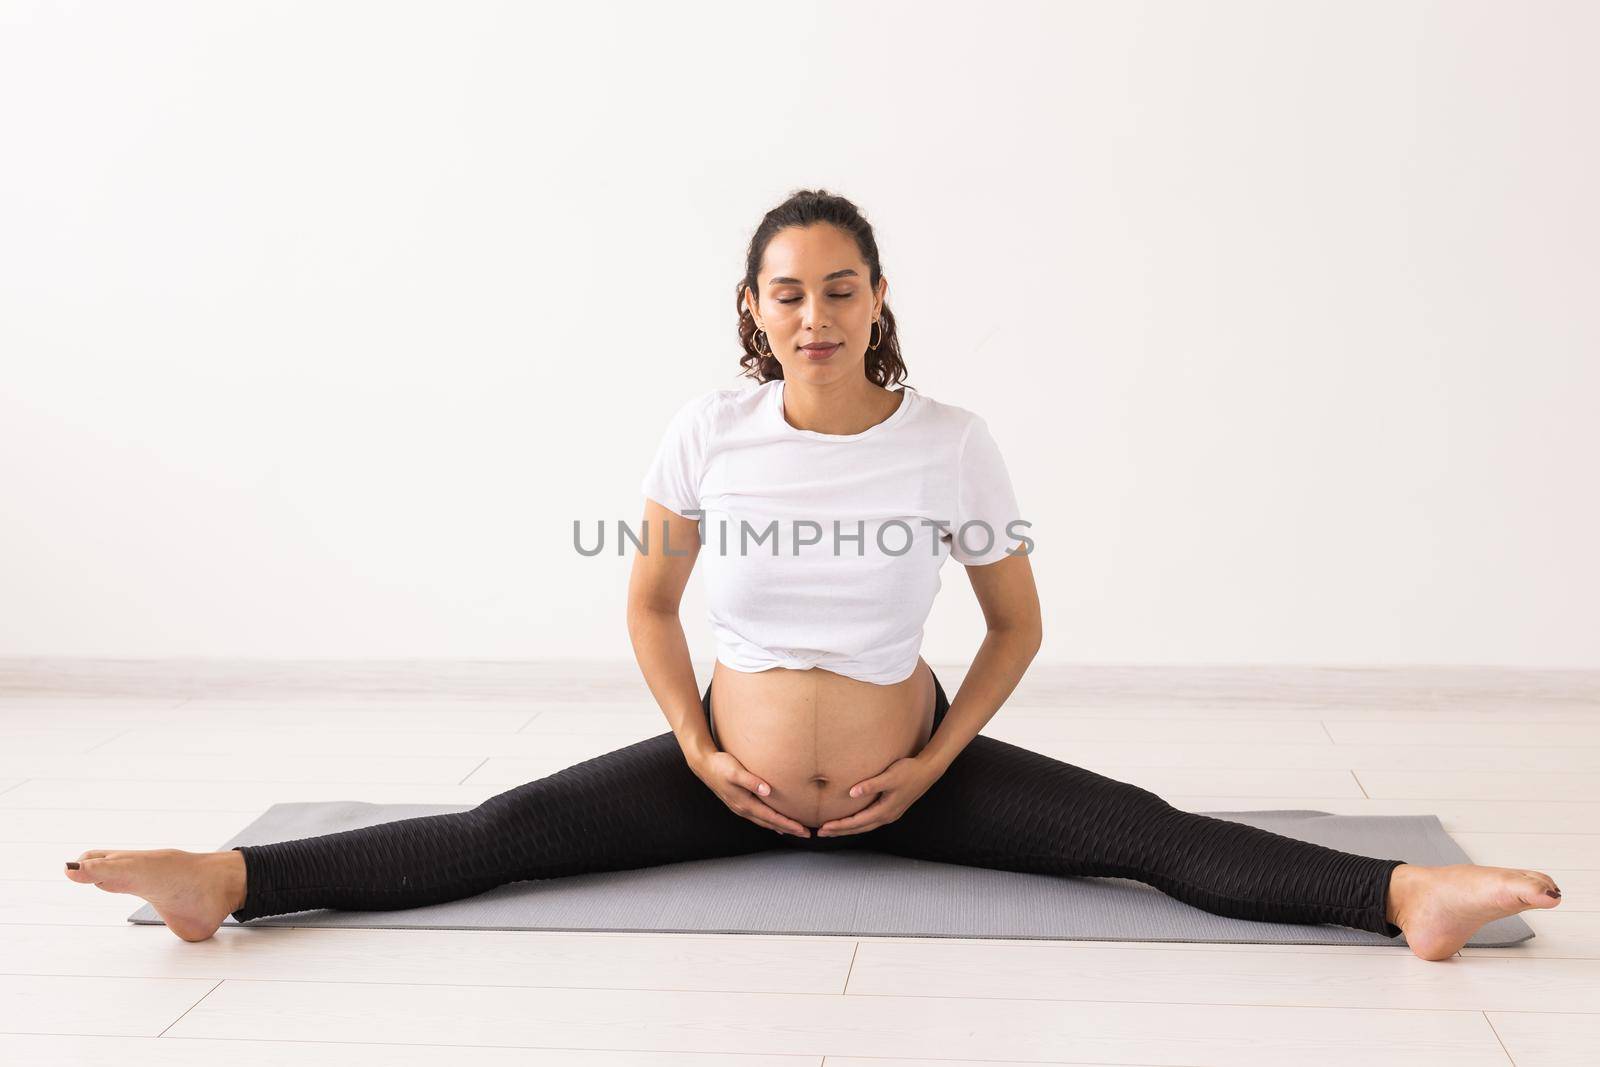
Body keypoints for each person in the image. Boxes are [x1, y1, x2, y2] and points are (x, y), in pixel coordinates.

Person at [66, 189, 1561, 961]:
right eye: (790, 292)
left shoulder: (952, 440)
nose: (816, 313)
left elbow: (1017, 626)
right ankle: (227, 881)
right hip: (726, 772)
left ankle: (1409, 895)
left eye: (841, 287)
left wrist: (931, 767)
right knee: (501, 828)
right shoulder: (704, 429)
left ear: (878, 294)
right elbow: (649, 605)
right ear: (755, 308)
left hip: (911, 772)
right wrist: (704, 751)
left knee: (1150, 835)